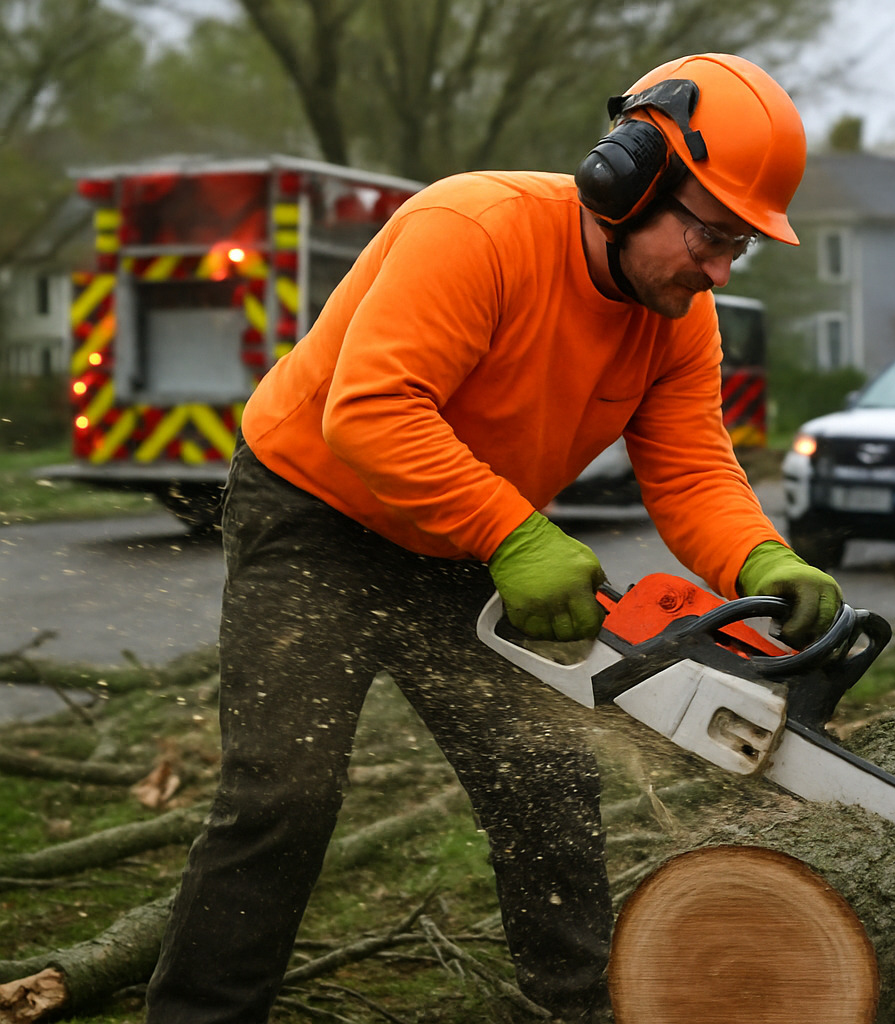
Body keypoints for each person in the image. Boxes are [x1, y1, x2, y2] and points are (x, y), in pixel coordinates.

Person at [145, 53, 841, 1024]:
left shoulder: (678, 318)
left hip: (470, 532)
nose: (720, 268)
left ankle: (573, 1011)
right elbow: (373, 413)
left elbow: (689, 469)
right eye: (712, 236)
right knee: (283, 794)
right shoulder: (474, 229)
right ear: (628, 178)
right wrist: (514, 534)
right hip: (314, 514)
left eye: (739, 248)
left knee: (546, 787)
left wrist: (762, 559)